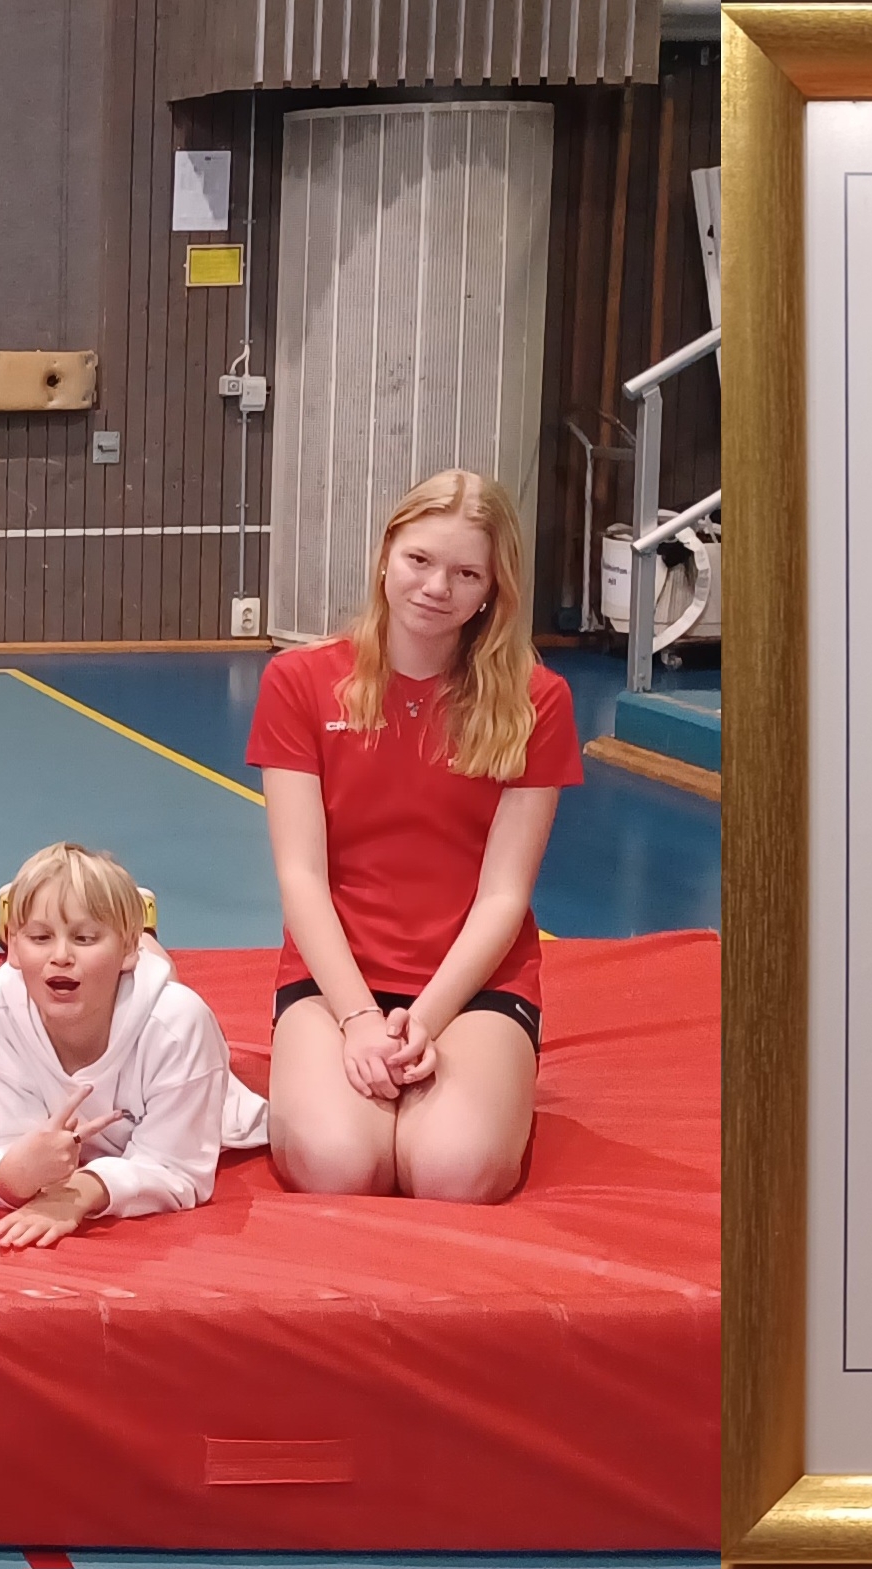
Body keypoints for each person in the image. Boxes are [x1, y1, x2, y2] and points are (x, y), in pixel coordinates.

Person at [250, 469, 577, 1204]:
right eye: (419, 560)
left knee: (453, 1171)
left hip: (475, 982)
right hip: (335, 977)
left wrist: (425, 1019)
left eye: (466, 573)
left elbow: (504, 895)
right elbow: (301, 875)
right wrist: (359, 1018)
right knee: (337, 1165)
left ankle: (477, 1082)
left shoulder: (536, 700)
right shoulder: (300, 681)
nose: (436, 587)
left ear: (493, 589)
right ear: (385, 556)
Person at [0, 845, 265, 1250]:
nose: (61, 956)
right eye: (40, 936)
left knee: (160, 988)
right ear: (11, 945)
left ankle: (143, 935)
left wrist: (79, 1192)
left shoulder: (178, 1023)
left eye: (84, 937)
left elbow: (175, 1166)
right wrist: (13, 1174)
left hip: (197, 1081)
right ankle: (82, 921)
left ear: (127, 949)